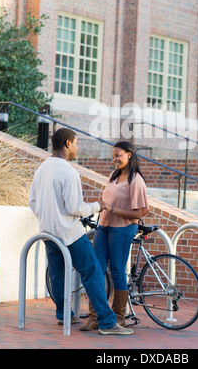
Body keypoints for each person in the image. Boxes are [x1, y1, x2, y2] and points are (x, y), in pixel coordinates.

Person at [28, 128, 133, 335]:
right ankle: (107, 322)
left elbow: (32, 201)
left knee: (57, 275)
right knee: (92, 272)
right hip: (70, 233)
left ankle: (63, 314)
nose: (77, 148)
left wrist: (48, 216)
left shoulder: (42, 169)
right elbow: (75, 208)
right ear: (67, 144)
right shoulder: (69, 172)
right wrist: (97, 206)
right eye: (76, 143)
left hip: (48, 232)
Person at [80, 141, 148, 331]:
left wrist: (112, 208)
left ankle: (119, 317)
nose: (115, 159)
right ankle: (95, 316)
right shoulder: (113, 176)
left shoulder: (136, 181)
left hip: (123, 228)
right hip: (104, 226)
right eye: (113, 156)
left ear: (129, 155)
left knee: (117, 270)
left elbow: (139, 213)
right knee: (96, 269)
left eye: (118, 155)